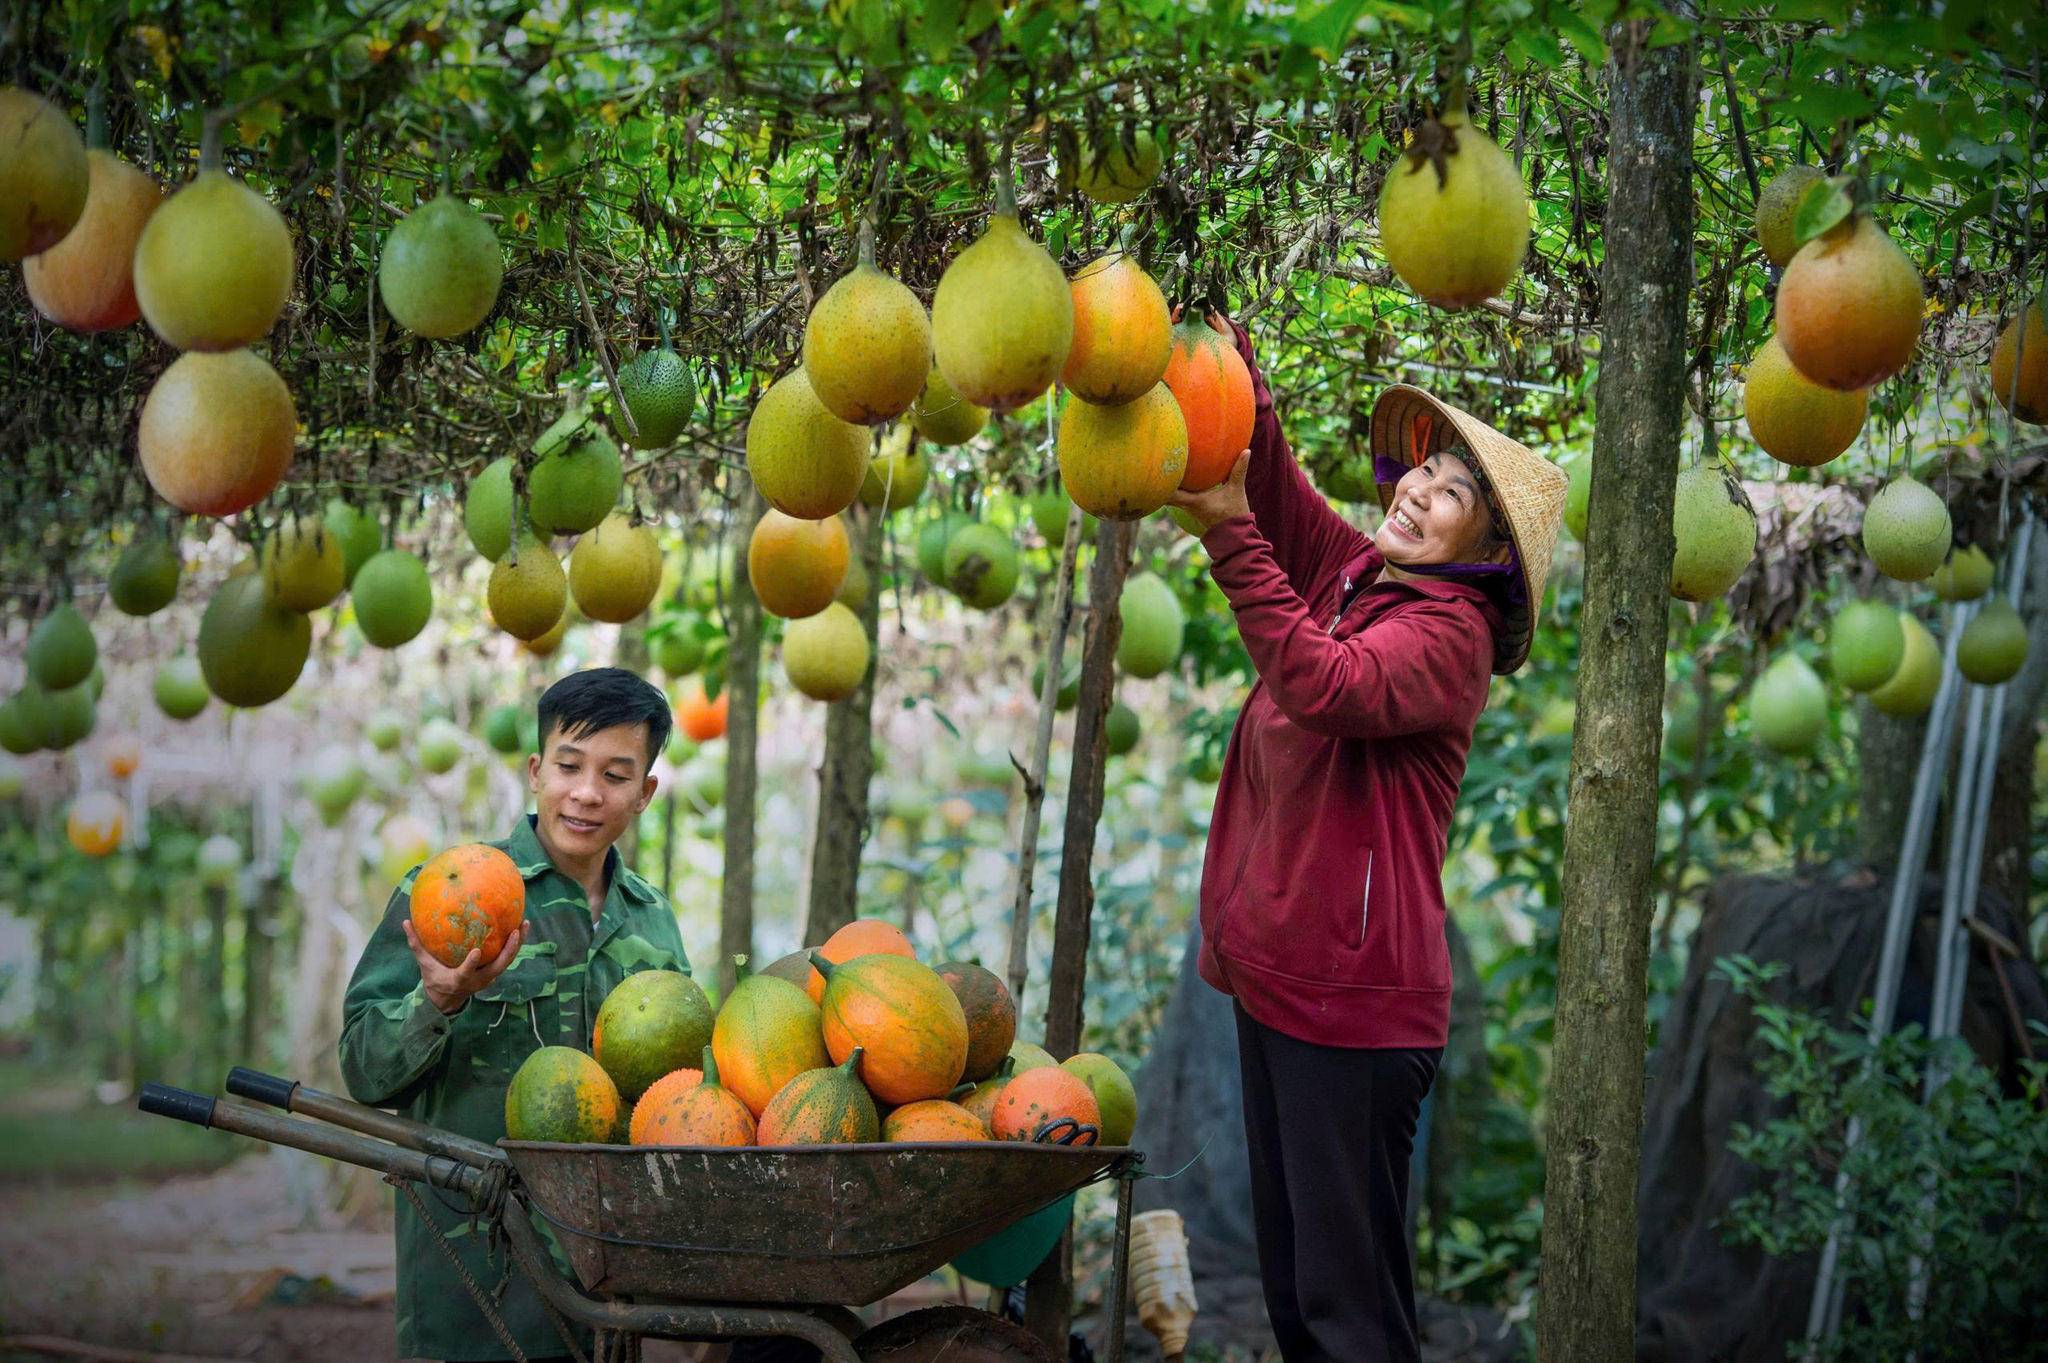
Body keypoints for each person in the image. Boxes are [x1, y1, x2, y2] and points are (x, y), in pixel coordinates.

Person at [1168, 314, 1567, 1363]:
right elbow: (1284, 510)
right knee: (1299, 1293)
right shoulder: (1366, 580)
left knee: (1350, 1317)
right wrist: (1238, 384)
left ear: (1487, 552)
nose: (1413, 494)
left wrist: (1221, 534)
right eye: (1419, 474)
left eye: (1448, 495)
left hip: (1350, 1014)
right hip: (1282, 985)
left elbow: (1323, 684)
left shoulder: (1449, 637)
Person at [340, 667, 689, 1363]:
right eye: (569, 765)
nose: (587, 792)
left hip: (606, 1293)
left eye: (617, 774)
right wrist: (437, 999)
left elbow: (674, 1097)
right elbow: (362, 1068)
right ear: (536, 770)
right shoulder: (450, 892)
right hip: (473, 1285)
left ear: (645, 792)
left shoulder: (652, 922)